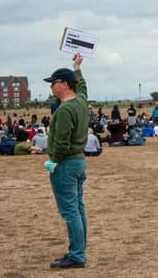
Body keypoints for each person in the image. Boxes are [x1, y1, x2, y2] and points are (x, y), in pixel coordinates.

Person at [44, 53, 88, 269]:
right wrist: (77, 67)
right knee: (78, 209)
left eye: (54, 83)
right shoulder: (80, 102)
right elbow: (83, 88)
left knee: (70, 211)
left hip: (66, 164)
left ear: (63, 85)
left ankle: (77, 255)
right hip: (79, 162)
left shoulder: (64, 110)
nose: (52, 87)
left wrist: (54, 162)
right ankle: (79, 250)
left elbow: (61, 143)